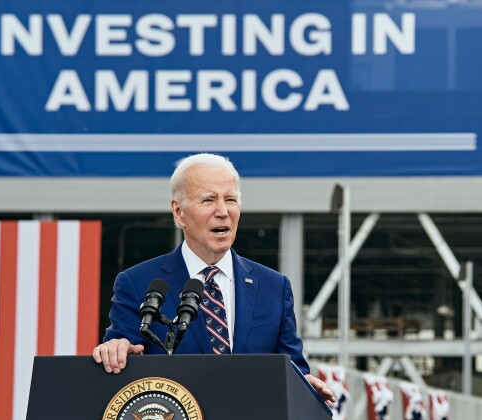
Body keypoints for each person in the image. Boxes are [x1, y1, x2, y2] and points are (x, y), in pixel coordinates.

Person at [92, 153, 335, 402]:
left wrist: (304, 384)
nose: (222, 211)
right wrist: (117, 351)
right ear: (179, 212)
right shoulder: (137, 283)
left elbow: (292, 370)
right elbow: (122, 363)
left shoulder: (273, 287)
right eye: (208, 200)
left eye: (230, 199)